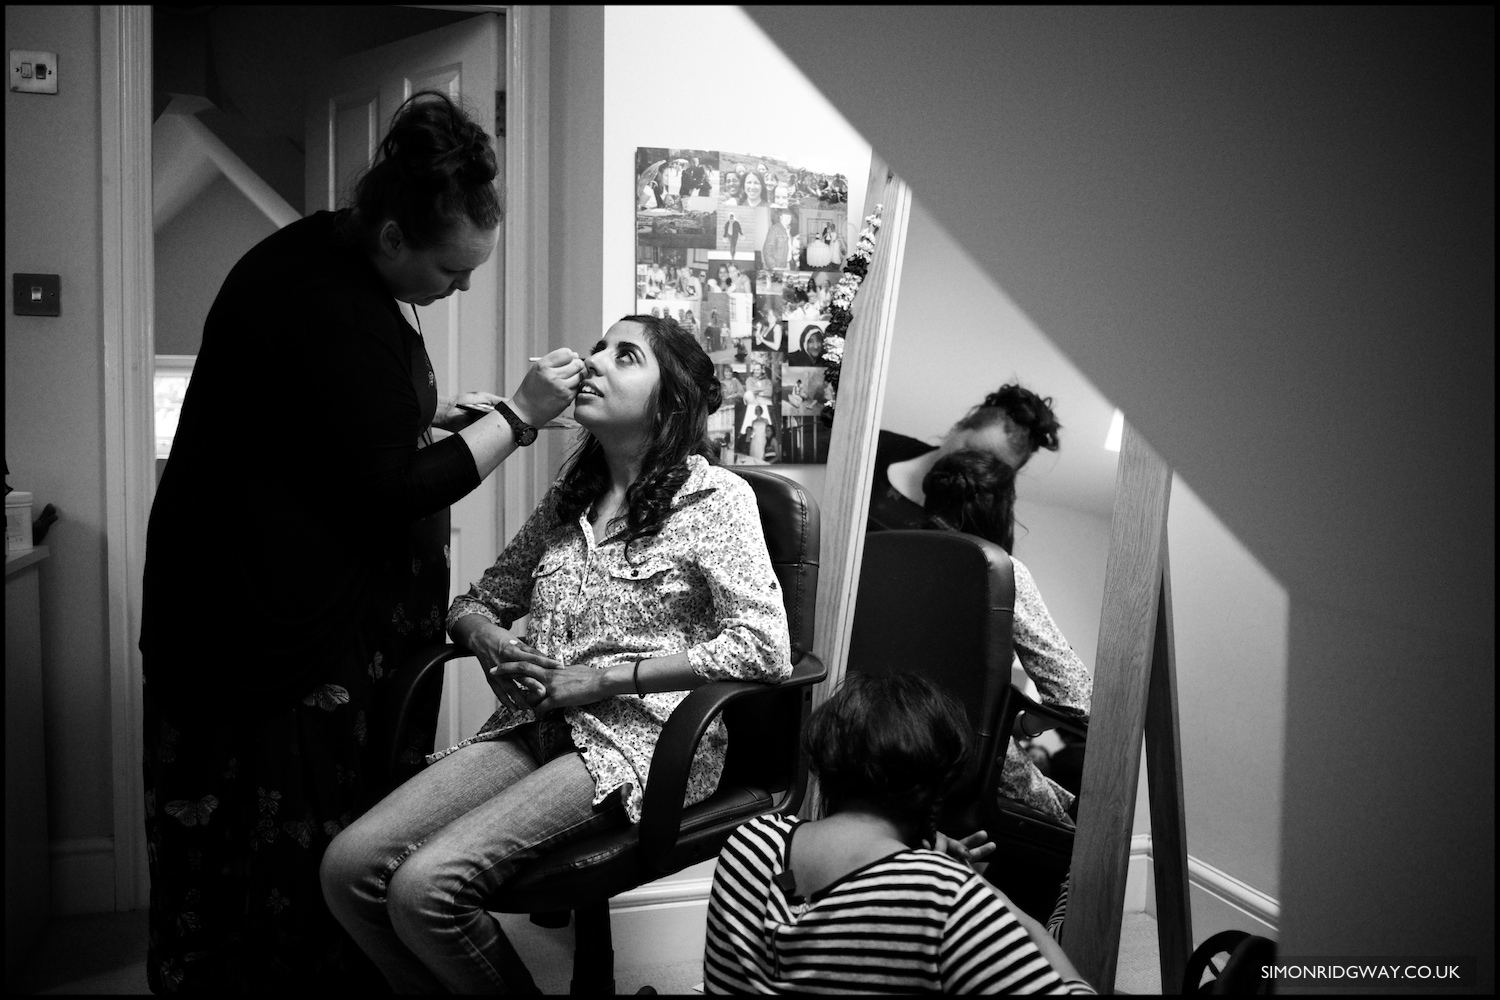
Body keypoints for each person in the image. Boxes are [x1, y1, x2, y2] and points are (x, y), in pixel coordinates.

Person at [138, 90, 587, 994]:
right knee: (274, 825)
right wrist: (517, 418)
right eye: (452, 272)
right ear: (391, 238)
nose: (460, 289)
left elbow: (336, 432)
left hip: (305, 604)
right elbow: (386, 489)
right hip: (265, 624)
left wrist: (432, 420)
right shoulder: (323, 300)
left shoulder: (333, 256)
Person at [321, 314, 793, 993]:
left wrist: (600, 679)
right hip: (531, 730)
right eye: (598, 348)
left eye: (623, 356)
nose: (593, 362)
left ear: (671, 402)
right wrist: (494, 642)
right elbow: (473, 604)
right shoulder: (570, 504)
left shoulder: (716, 499)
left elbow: (762, 646)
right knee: (349, 868)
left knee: (424, 890)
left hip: (638, 746)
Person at [703, 673, 1094, 994]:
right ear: (938, 789)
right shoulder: (947, 898)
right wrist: (998, 906)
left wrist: (918, 868)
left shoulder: (749, 843)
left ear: (824, 763)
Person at [921, 447, 1091, 923]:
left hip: (884, 753)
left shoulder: (875, 553)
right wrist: (1026, 720)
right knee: (1083, 826)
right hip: (963, 765)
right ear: (1000, 509)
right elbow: (1078, 700)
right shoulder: (999, 569)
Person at [868, 383, 1061, 533]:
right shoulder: (877, 446)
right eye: (970, 451)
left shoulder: (975, 526)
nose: (970, 468)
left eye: (989, 469)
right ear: (958, 428)